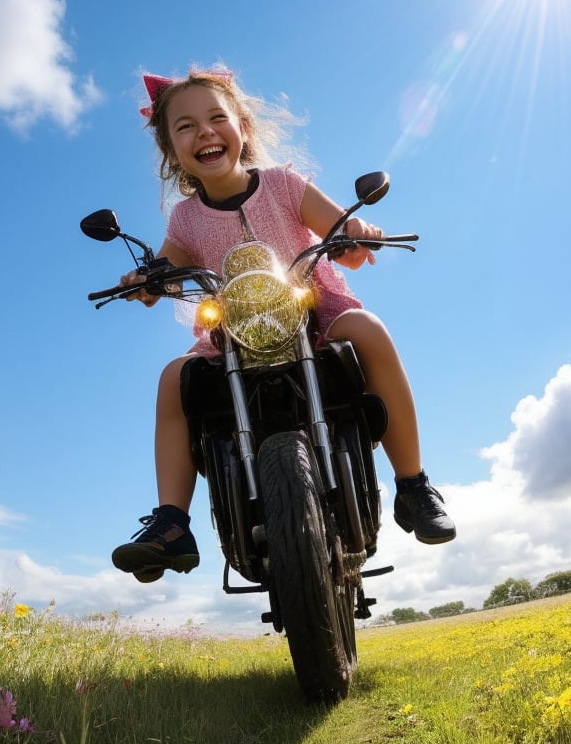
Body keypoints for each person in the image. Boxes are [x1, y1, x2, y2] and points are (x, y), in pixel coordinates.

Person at [111, 66, 456, 582]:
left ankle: (413, 485)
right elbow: (167, 273)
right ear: (170, 150)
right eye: (185, 126)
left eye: (216, 118)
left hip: (315, 313)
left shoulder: (282, 183)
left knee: (369, 330)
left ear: (242, 127)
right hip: (234, 337)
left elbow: (345, 237)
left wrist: (357, 231)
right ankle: (172, 523)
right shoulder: (184, 219)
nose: (203, 131)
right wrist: (146, 278)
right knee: (172, 379)